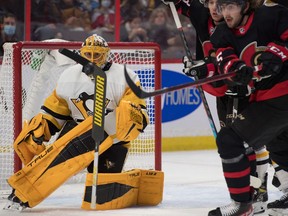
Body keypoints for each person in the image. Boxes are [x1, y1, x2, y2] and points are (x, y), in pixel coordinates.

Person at [4, 34, 163, 211]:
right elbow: (57, 108)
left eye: (98, 55)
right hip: (79, 130)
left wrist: (132, 116)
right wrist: (42, 129)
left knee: (102, 196)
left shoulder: (126, 76)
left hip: (113, 136)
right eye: (89, 55)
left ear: (107, 54)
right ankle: (22, 193)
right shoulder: (68, 76)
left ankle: (133, 185)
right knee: (56, 163)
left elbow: (138, 110)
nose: (93, 59)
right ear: (82, 53)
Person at [162, 0, 270, 213]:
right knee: (233, 142)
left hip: (245, 86)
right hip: (221, 88)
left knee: (250, 141)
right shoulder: (203, 15)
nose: (215, 8)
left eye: (219, 3)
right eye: (210, 2)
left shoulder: (243, 21)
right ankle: (247, 195)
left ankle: (258, 193)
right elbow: (180, 5)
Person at [206, 0, 288, 215]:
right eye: (223, 8)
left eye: (230, 6)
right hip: (266, 99)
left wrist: (277, 52)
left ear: (245, 6)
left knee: (229, 140)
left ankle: (242, 205)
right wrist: (238, 69)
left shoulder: (271, 15)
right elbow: (226, 58)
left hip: (281, 95)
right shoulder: (222, 32)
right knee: (279, 147)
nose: (225, 13)